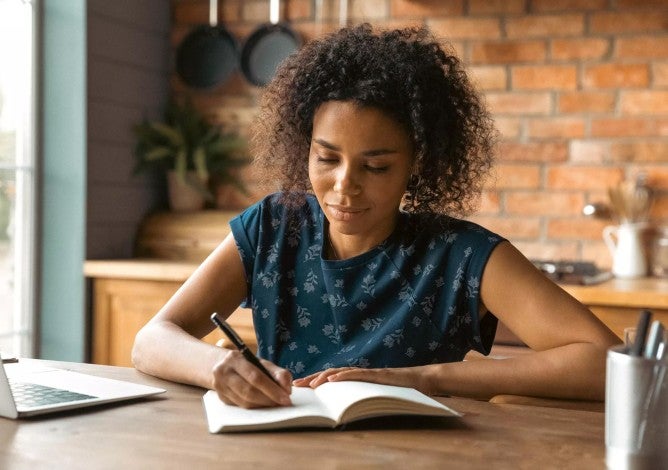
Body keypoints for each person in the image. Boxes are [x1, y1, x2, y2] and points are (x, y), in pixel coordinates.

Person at [132, 24, 619, 409]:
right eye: (326, 159)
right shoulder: (275, 226)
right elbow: (152, 339)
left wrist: (425, 379)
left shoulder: (461, 255)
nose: (345, 185)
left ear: (417, 163)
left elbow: (608, 362)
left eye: (377, 165)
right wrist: (215, 369)